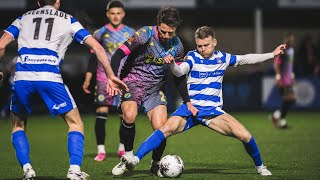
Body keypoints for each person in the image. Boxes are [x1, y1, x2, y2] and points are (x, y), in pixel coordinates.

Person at [113, 26, 287, 176]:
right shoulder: (192, 57)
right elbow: (180, 72)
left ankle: (260, 167)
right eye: (199, 45)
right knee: (164, 129)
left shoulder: (223, 58)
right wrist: (172, 64)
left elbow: (246, 58)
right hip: (190, 110)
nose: (202, 49)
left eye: (206, 45)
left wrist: (272, 54)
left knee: (245, 135)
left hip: (213, 112)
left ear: (214, 43)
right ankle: (135, 159)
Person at [0, 0, 128, 179]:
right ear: (58, 2)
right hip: (50, 77)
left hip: (22, 78)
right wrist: (110, 75)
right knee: (75, 123)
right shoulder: (68, 20)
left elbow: (0, 44)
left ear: (38, 2)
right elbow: (97, 47)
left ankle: (27, 169)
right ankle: (74, 170)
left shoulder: (23, 18)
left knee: (18, 126)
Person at [110, 7, 198, 176]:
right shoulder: (144, 34)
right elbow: (118, 55)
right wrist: (114, 77)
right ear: (158, 25)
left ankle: (156, 164)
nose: (166, 36)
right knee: (129, 115)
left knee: (162, 129)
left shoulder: (178, 47)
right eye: (163, 31)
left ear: (176, 28)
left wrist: (187, 100)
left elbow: (178, 76)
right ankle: (127, 157)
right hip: (132, 82)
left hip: (155, 88)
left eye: (170, 33)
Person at [82, 0, 135, 162]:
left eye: (118, 13)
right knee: (101, 112)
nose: (116, 16)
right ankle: (101, 151)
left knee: (124, 114)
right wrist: (87, 79)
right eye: (112, 13)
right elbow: (93, 58)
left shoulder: (131, 33)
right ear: (107, 14)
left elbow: (134, 58)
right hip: (103, 78)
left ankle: (121, 148)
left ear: (123, 14)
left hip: (123, 79)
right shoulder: (99, 33)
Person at [271, 32, 296, 129]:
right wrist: (278, 77)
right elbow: (276, 64)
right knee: (290, 99)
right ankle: (278, 118)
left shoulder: (292, 51)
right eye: (289, 39)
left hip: (288, 79)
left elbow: (290, 65)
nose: (291, 41)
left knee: (288, 101)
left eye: (292, 39)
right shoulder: (283, 50)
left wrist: (292, 75)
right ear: (286, 39)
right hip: (283, 80)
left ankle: (279, 119)